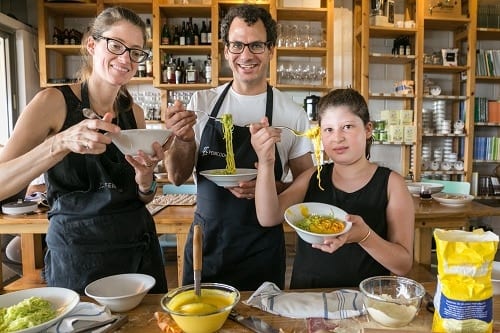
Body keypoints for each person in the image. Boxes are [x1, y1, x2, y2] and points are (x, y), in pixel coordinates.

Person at [0, 6, 172, 293]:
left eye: (135, 51)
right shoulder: (52, 103)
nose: (125, 58)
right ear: (92, 44)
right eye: (116, 45)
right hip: (77, 255)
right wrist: (61, 142)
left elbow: (143, 196)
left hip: (138, 250)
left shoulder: (135, 113)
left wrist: (146, 179)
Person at [164, 4, 314, 291]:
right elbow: (176, 177)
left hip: (261, 248)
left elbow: (307, 180)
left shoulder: (291, 112)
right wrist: (183, 139)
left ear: (271, 49)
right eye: (237, 45)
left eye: (256, 45)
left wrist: (265, 185)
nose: (246, 55)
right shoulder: (202, 105)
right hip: (206, 244)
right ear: (225, 50)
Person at [250, 88, 414, 289]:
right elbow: (268, 217)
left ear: (368, 129)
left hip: (363, 302)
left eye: (347, 127)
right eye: (328, 130)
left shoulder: (392, 184)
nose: (337, 138)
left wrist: (364, 236)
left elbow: (403, 265)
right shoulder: (314, 176)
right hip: (307, 298)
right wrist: (266, 162)